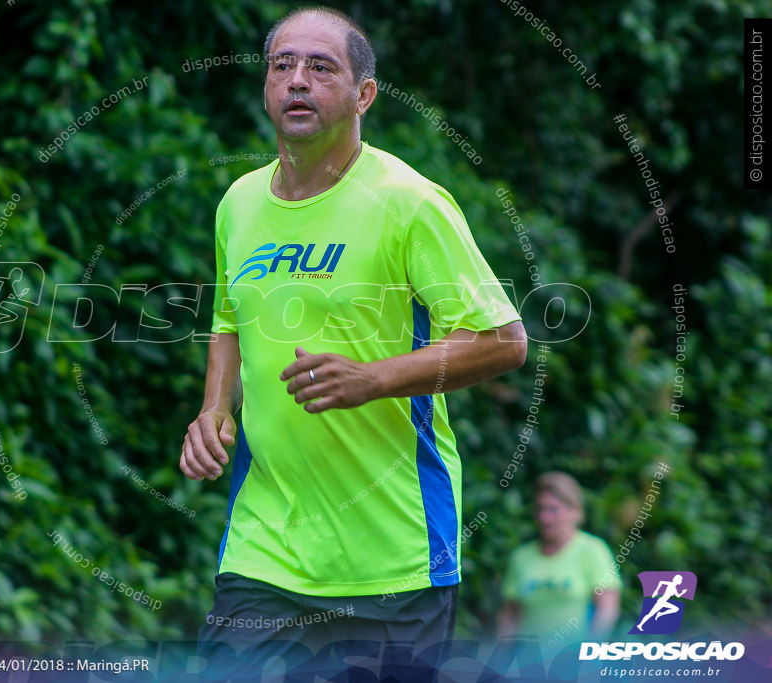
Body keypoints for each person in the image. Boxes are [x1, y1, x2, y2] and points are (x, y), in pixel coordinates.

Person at [179, 6, 527, 680]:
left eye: (321, 67)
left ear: (364, 95)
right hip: (264, 546)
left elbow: (502, 340)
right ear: (265, 87)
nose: (297, 81)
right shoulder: (239, 204)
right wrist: (216, 409)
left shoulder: (410, 202)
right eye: (283, 66)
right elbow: (229, 321)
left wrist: (375, 378)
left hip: (392, 555)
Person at [498, 472, 620, 653]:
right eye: (540, 509)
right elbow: (510, 615)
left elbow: (607, 610)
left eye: (553, 509)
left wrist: (589, 652)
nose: (545, 518)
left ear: (575, 512)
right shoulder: (521, 557)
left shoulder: (592, 551)